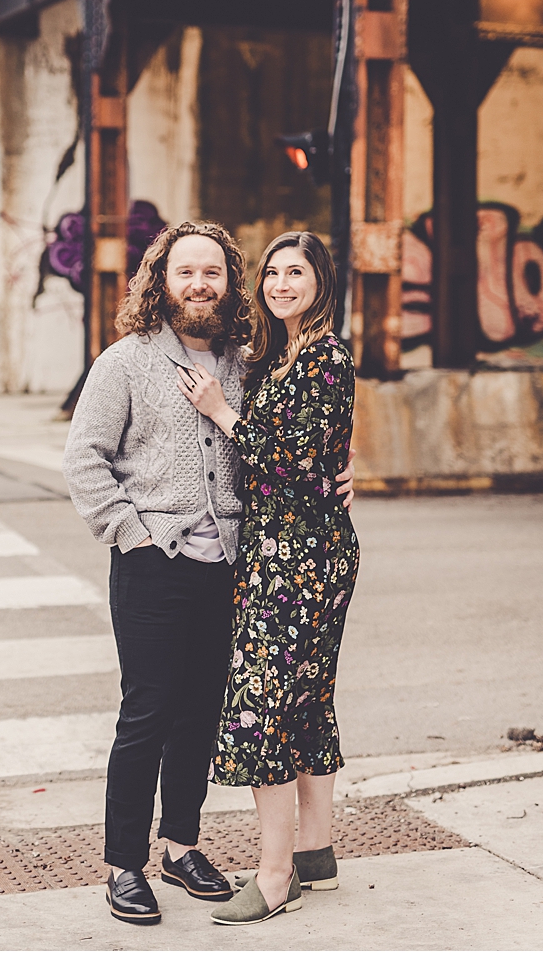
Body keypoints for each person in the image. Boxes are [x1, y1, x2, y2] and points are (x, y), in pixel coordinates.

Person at [63, 221, 251, 925]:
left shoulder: (242, 361)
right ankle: (123, 865)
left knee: (201, 713)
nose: (200, 283)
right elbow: (84, 458)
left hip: (224, 568)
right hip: (152, 565)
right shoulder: (126, 361)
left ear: (229, 281)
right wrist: (132, 535)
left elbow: (273, 444)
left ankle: (180, 846)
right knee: (146, 713)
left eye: (213, 272)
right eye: (186, 272)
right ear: (162, 281)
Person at [176, 230, 360, 927]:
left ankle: (275, 873)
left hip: (303, 558)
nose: (282, 283)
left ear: (321, 282)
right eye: (275, 272)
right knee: (305, 700)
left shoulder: (325, 357)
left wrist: (221, 411)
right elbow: (325, 451)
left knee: (261, 708)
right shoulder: (283, 357)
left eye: (297, 272)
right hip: (287, 549)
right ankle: (316, 852)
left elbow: (285, 459)